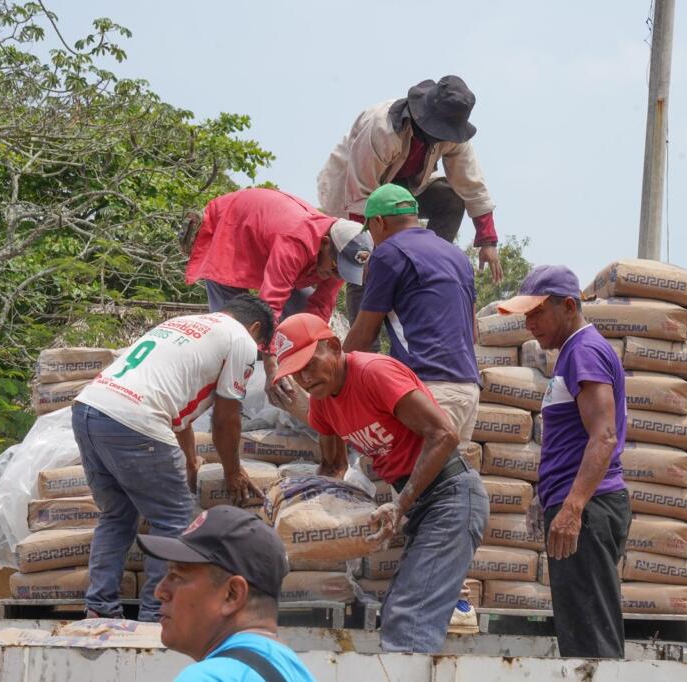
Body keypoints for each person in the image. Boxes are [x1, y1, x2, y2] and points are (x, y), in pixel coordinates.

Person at [270, 313, 489, 653]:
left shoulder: (374, 373)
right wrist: (297, 512)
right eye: (295, 372)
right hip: (420, 503)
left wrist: (400, 505)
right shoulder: (322, 402)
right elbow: (332, 468)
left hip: (452, 497)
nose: (305, 377)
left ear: (332, 346)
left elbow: (444, 435)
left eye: (310, 364)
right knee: (396, 614)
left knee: (408, 623)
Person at [71, 295, 274, 623]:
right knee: (174, 519)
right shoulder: (242, 340)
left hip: (89, 409)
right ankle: (154, 617)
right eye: (261, 346)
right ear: (255, 329)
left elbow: (179, 415)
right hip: (136, 418)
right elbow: (226, 418)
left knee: (116, 515)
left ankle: (100, 609)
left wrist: (191, 460)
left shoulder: (181, 326)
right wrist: (233, 470)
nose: (256, 355)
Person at [498, 265, 630, 658]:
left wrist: (572, 508)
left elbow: (603, 436)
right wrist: (548, 497)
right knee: (580, 633)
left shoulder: (583, 352)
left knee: (592, 643)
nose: (529, 324)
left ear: (569, 306)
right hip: (583, 507)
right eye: (526, 315)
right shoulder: (574, 353)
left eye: (537, 313)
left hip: (589, 511)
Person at [317, 74, 503, 327]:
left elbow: (470, 182)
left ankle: (424, 265)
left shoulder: (453, 135)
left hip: (405, 190)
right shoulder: (382, 129)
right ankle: (364, 347)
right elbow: (361, 195)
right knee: (364, 264)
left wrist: (488, 239)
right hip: (356, 195)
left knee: (451, 199)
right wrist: (376, 253)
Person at [343, 184, 480, 452]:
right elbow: (474, 333)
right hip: (468, 389)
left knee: (416, 488)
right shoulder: (457, 255)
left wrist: (335, 376)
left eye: (370, 230)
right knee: (449, 489)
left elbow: (364, 334)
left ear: (379, 222)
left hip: (426, 390)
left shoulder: (387, 254)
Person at [139, 505, 316, 681]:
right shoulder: (296, 672)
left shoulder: (209, 677)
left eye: (177, 576)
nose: (159, 592)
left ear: (232, 595)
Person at [184, 187, 372, 322]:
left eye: (343, 274)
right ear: (324, 243)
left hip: (268, 246)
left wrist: (309, 343)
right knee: (236, 325)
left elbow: (321, 307)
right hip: (230, 229)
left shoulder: (341, 253)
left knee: (301, 318)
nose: (335, 276)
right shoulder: (295, 242)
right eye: (335, 269)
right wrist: (271, 361)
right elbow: (270, 306)